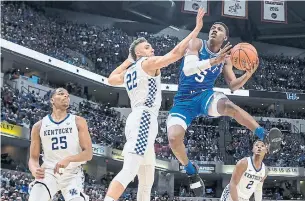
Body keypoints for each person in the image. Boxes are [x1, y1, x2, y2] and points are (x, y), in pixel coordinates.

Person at [166, 21, 282, 195]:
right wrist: (214, 60)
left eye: (219, 29)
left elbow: (233, 86)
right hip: (184, 100)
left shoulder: (227, 58)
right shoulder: (196, 43)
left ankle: (263, 136)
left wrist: (247, 74)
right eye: (213, 28)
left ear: (225, 37)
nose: (214, 30)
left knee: (229, 106)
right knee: (174, 139)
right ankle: (191, 171)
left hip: (205, 96)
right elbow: (189, 69)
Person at [104, 8, 206, 201]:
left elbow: (110, 79)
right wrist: (196, 29)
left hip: (137, 118)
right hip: (144, 118)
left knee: (147, 179)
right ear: (139, 52)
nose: (152, 50)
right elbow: (175, 54)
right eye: (148, 47)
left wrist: (128, 60)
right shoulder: (146, 63)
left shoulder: (129, 71)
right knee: (129, 171)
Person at [28, 88, 93, 201]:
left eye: (67, 96)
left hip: (72, 174)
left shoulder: (78, 121)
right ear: (52, 100)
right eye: (61, 94)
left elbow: (88, 154)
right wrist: (34, 169)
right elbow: (33, 158)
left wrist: (68, 159)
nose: (65, 97)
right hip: (49, 172)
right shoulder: (38, 126)